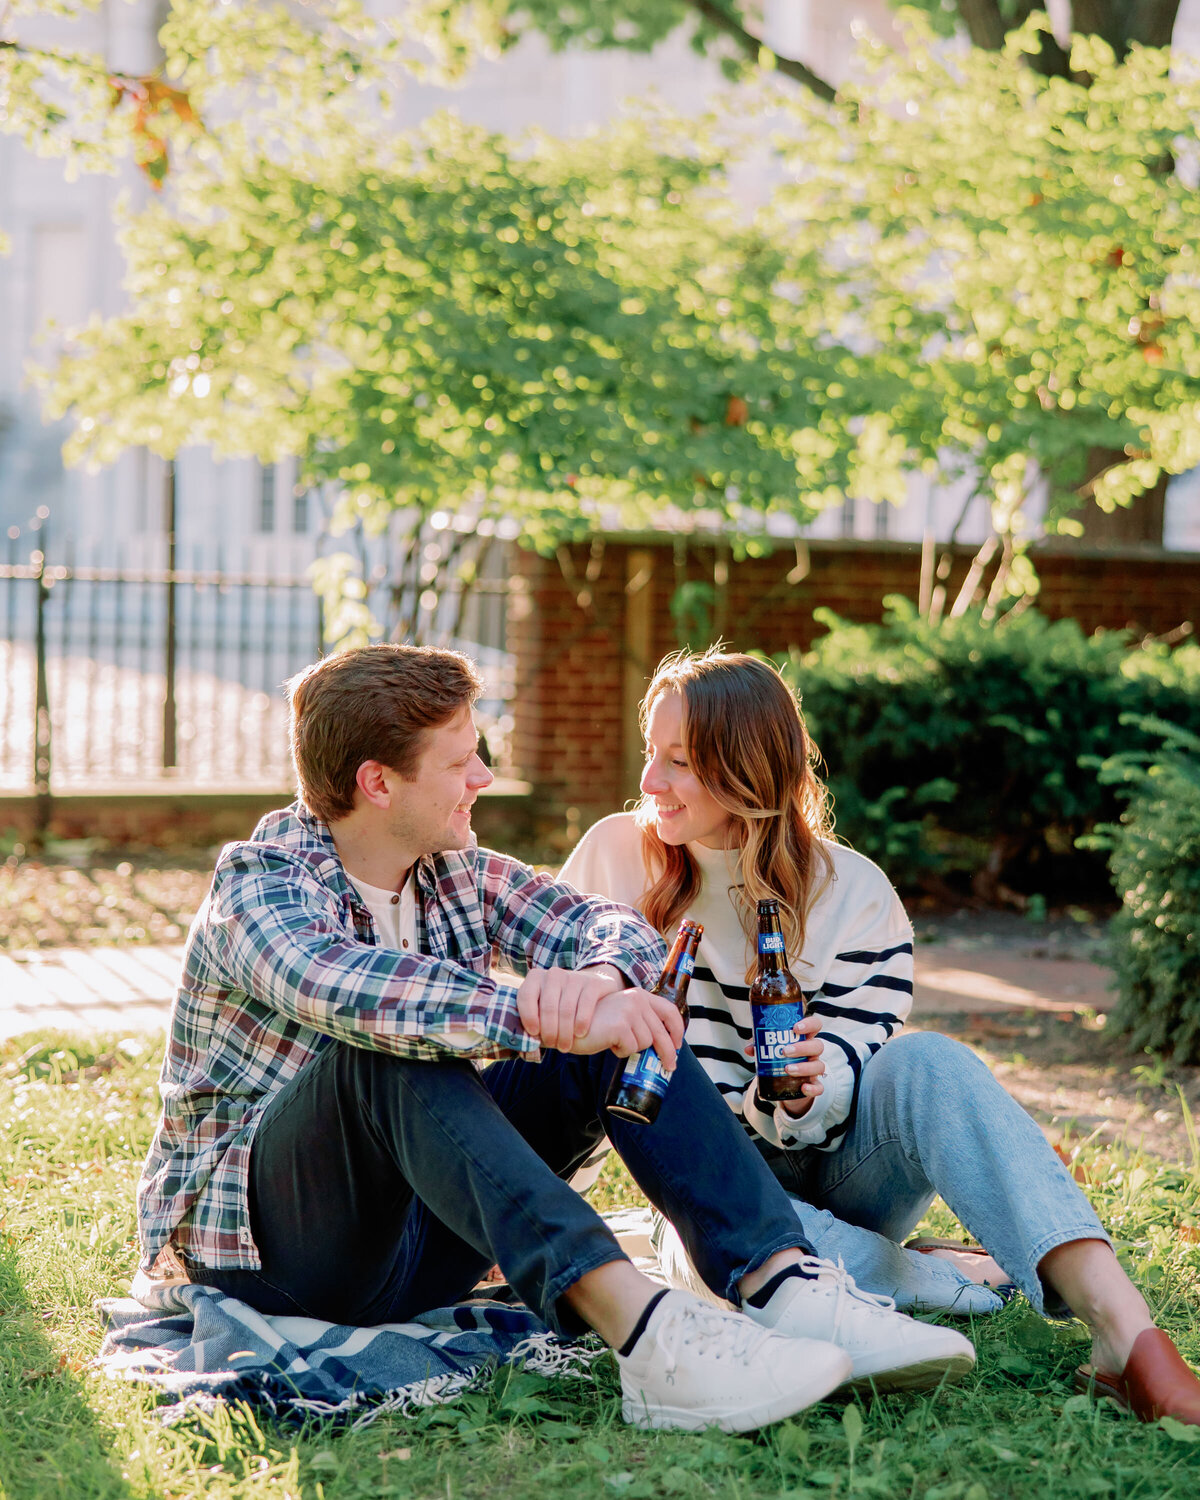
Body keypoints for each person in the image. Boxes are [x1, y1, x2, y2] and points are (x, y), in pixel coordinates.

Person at [135, 644, 975, 1437]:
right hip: (267, 1255)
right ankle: (652, 1341)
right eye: (461, 760)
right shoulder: (262, 884)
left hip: (419, 1249)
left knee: (616, 1031)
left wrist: (603, 991)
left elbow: (613, 928)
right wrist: (530, 1007)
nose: (484, 776)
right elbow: (342, 985)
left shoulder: (455, 871)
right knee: (382, 1050)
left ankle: (782, 1285)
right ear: (377, 783)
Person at [560, 647, 1200, 1427]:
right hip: (701, 1181)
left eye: (681, 763)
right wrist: (550, 1197)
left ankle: (1129, 1337)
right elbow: (572, 1055)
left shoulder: (853, 893)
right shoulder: (612, 856)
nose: (651, 783)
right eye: (650, 755)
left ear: (749, 770)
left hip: (840, 1170)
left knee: (929, 1061)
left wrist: (800, 1086)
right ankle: (927, 1278)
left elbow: (844, 1086)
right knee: (697, 1251)